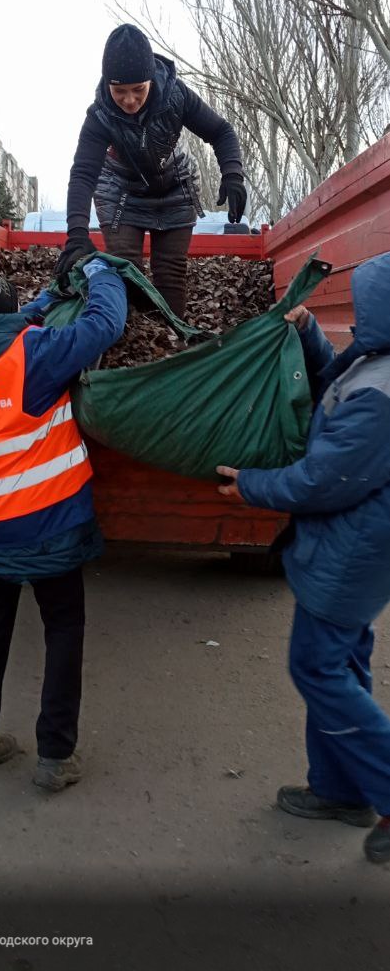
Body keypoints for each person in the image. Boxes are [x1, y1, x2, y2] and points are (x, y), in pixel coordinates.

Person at [216, 252, 390, 864]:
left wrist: (251, 485)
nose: (359, 314)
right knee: (342, 663)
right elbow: (332, 383)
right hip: (356, 548)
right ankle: (341, 790)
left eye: (366, 303)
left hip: (353, 552)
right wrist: (311, 333)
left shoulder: (383, 397)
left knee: (317, 668)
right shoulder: (376, 360)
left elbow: (323, 480)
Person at [0, 261, 127, 792]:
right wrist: (102, 274)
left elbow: (9, 329)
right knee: (63, 627)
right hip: (48, 523)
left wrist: (46, 298)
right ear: (6, 315)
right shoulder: (36, 355)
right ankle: (55, 757)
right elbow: (105, 324)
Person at [54, 23, 246, 318]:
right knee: (126, 270)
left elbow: (221, 131)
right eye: (119, 91)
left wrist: (232, 173)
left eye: (138, 90)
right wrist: (76, 234)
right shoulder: (100, 116)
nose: (129, 100)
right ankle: (129, 334)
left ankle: (172, 338)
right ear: (107, 84)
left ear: (151, 81)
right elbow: (83, 173)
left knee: (170, 271)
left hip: (175, 186)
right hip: (120, 191)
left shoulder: (176, 96)